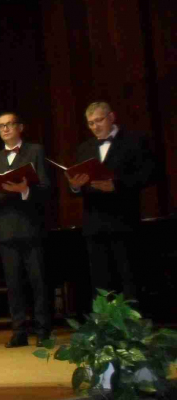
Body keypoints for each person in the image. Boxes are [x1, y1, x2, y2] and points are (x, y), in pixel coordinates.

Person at [67, 102, 154, 301]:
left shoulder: (133, 141)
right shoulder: (84, 148)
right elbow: (77, 186)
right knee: (100, 283)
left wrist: (117, 185)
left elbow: (150, 174)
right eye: (90, 123)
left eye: (99, 120)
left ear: (112, 117)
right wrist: (75, 186)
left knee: (129, 278)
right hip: (94, 224)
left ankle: (132, 320)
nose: (95, 126)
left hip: (124, 222)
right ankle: (104, 321)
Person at [0, 112, 52, 348]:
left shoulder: (35, 151)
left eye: (9, 124)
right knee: (13, 284)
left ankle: (43, 331)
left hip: (31, 226)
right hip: (6, 229)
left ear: (20, 127)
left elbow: (46, 188)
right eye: (1, 126)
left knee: (38, 282)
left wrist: (25, 190)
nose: (5, 129)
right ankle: (19, 331)